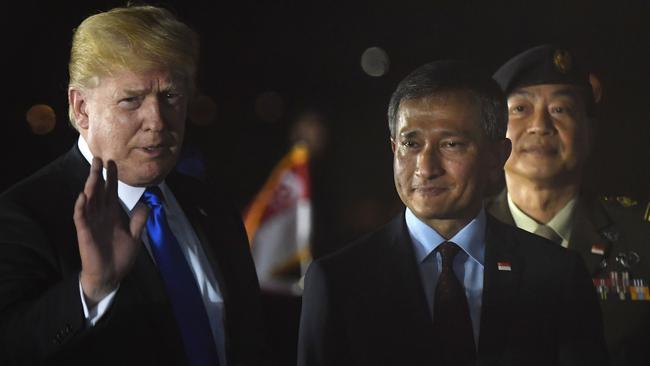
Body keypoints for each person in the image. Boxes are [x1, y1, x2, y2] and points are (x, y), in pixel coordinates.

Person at [0, 5, 265, 365]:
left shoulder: (213, 204)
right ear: (81, 109)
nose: (157, 120)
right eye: (131, 100)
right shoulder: (22, 216)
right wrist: (91, 289)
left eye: (170, 96)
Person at [297, 60, 608, 366]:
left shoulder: (556, 275)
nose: (426, 168)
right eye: (411, 143)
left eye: (451, 144)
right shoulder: (338, 282)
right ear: (394, 148)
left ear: (497, 155)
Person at [488, 44, 650, 365]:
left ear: (589, 132)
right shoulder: (460, 236)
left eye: (561, 109)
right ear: (492, 131)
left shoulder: (642, 236)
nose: (540, 125)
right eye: (520, 109)